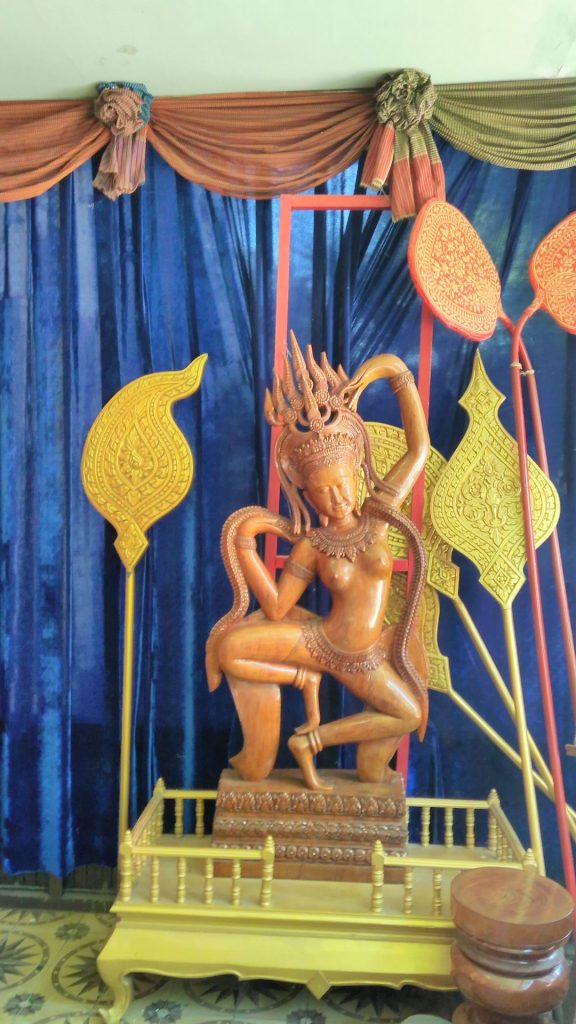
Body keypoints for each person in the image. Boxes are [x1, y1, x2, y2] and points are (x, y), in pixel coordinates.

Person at [206, 335, 430, 791]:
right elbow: (276, 608)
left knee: (409, 713)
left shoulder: (379, 516)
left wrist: (392, 370)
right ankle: (301, 678)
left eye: (342, 484)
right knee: (228, 649)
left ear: (357, 475)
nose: (337, 497)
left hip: (364, 658)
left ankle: (312, 741)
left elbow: (418, 450)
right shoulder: (312, 544)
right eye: (323, 491)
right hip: (319, 642)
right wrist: (246, 546)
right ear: (306, 495)